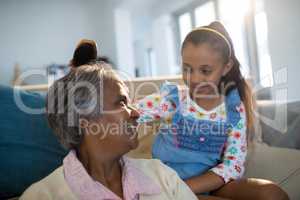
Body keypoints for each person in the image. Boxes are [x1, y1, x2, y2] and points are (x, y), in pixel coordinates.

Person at [20, 41, 198, 200]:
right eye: (121, 103)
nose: (136, 113)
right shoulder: (42, 195)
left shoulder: (162, 176)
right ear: (84, 119)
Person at [135, 21, 289, 200]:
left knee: (272, 194)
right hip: (167, 182)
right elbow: (133, 113)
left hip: (210, 182)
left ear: (227, 67)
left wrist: (187, 187)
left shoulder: (233, 110)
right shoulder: (174, 99)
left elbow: (233, 165)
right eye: (187, 69)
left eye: (205, 71)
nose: (194, 78)